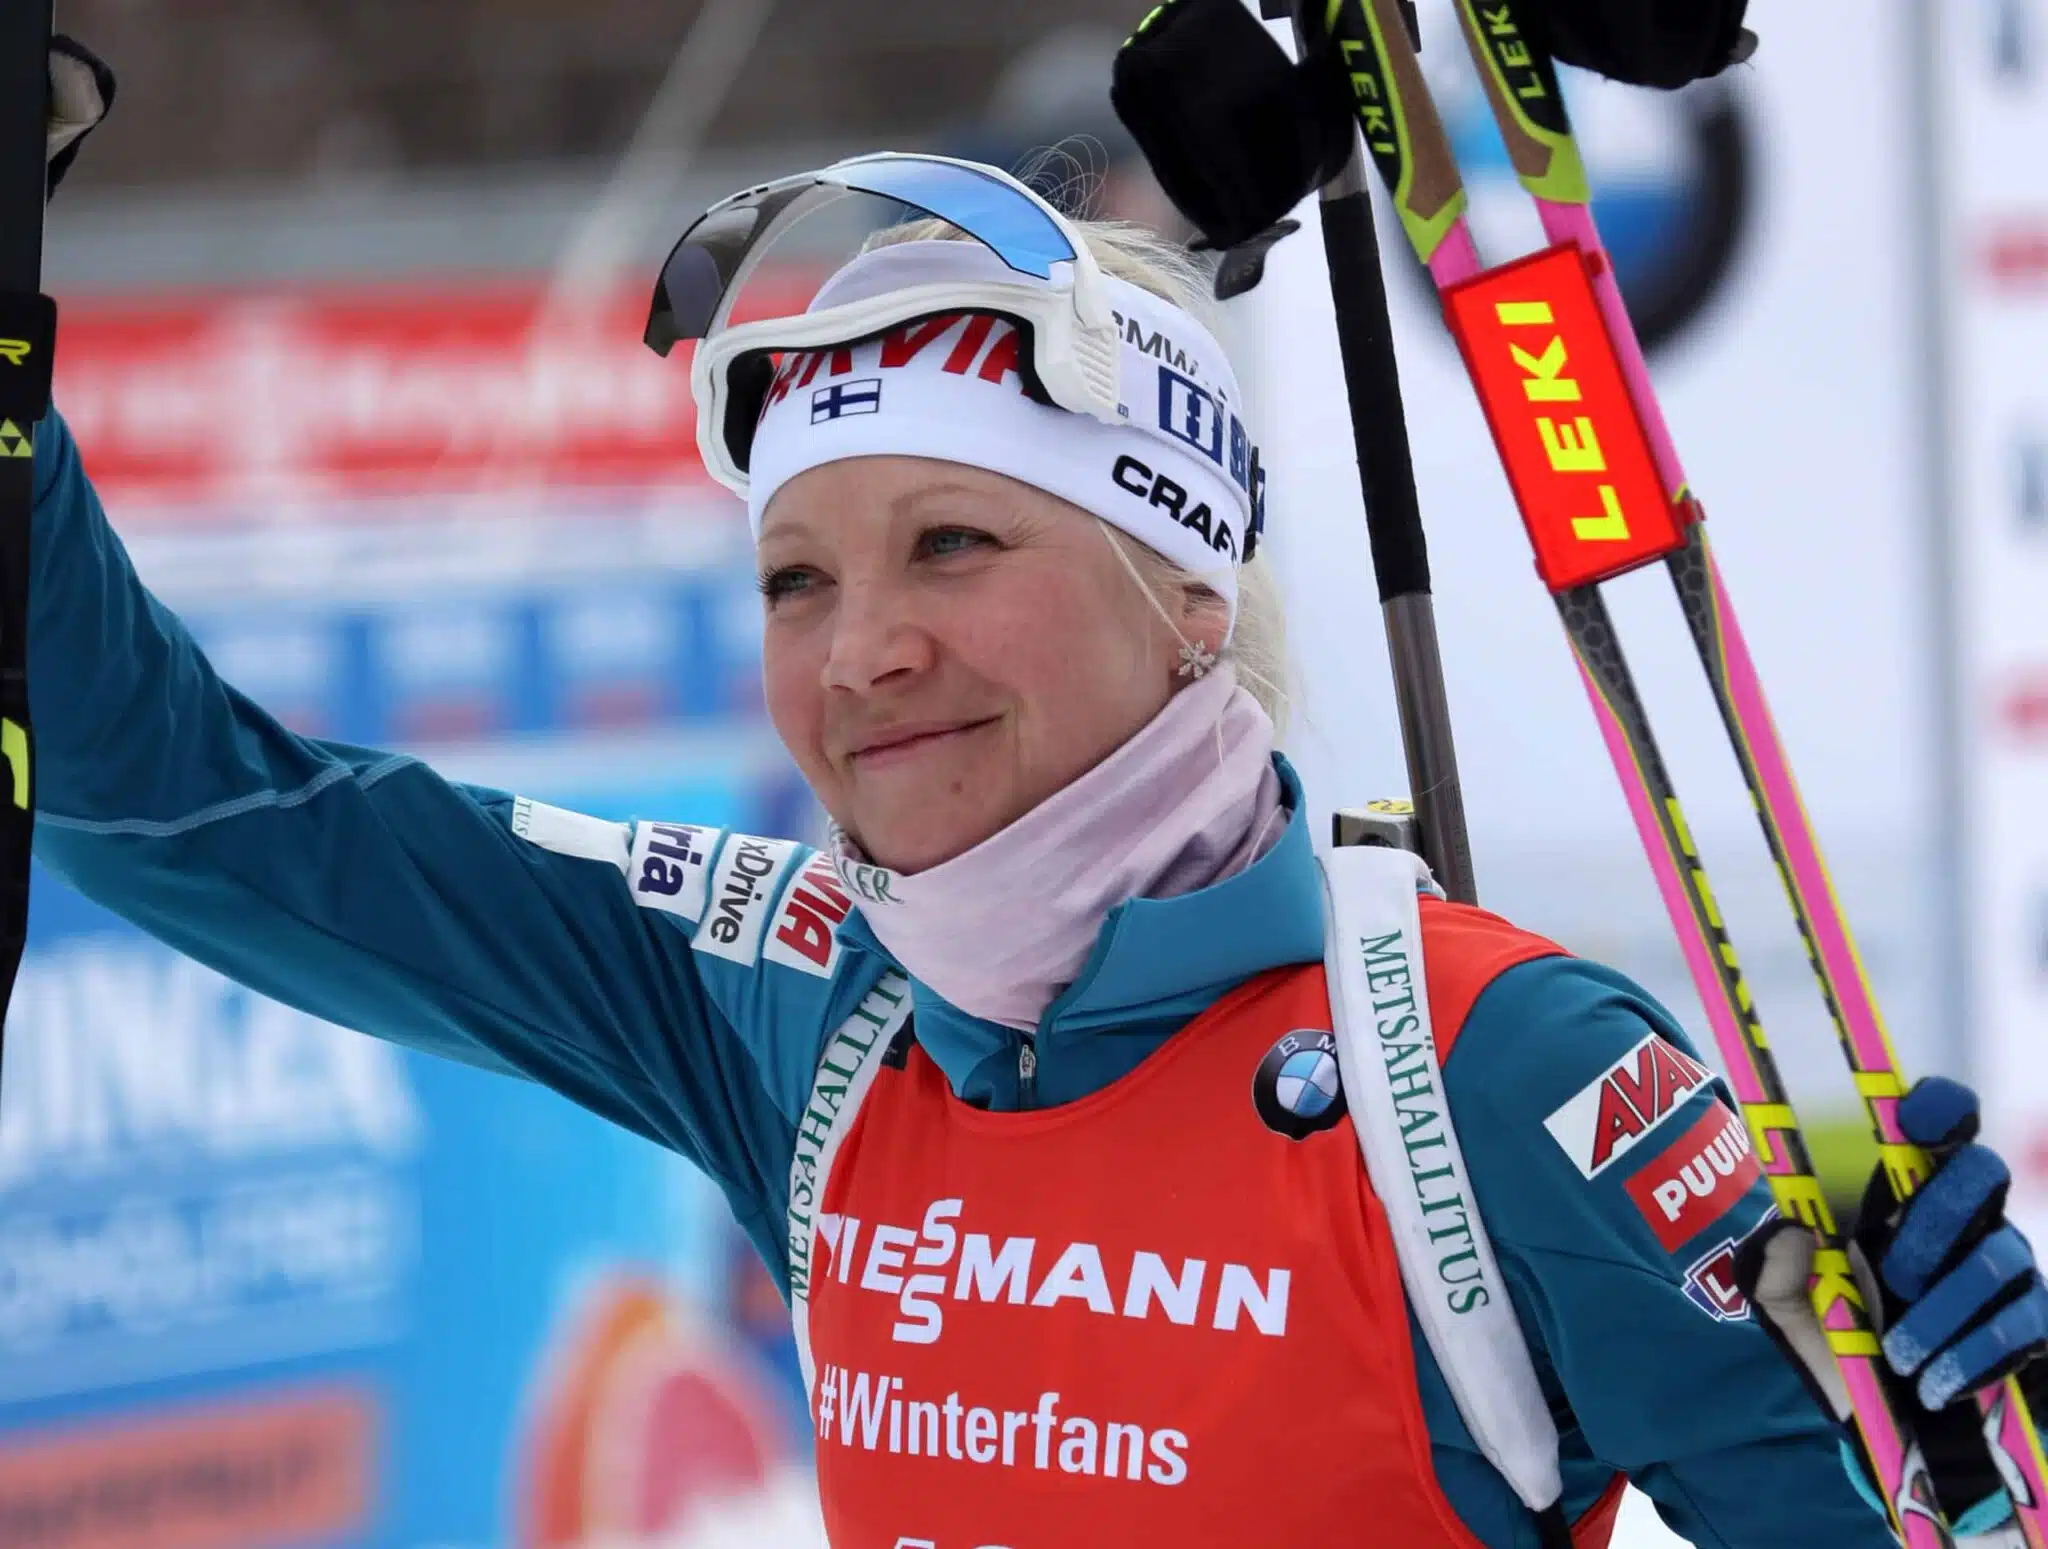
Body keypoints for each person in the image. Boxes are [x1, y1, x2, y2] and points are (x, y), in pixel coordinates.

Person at [26, 45, 2048, 1549]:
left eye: (954, 546)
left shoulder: (1490, 1074)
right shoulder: (808, 1002)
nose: (859, 653)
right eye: (795, 580)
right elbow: (182, 803)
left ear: (1185, 591)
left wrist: (1969, 1447)